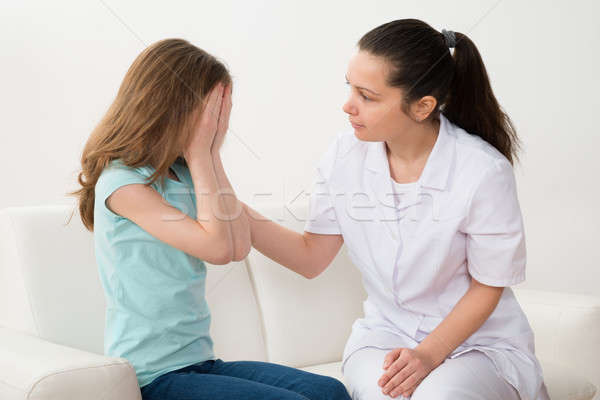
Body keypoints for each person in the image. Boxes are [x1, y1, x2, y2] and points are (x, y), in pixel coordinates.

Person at [242, 19, 551, 400]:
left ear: (422, 107)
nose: (348, 105)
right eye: (349, 87)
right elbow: (312, 257)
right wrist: (230, 208)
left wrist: (428, 354)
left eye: (367, 96)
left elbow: (488, 284)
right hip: (385, 336)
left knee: (438, 396)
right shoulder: (343, 155)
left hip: (477, 344)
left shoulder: (482, 170)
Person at [67, 38, 351, 400]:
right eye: (211, 113)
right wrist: (202, 154)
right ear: (170, 106)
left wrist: (212, 155)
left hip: (200, 363)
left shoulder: (185, 176)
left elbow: (237, 245)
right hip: (154, 377)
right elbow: (217, 249)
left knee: (329, 391)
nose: (218, 123)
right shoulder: (122, 184)